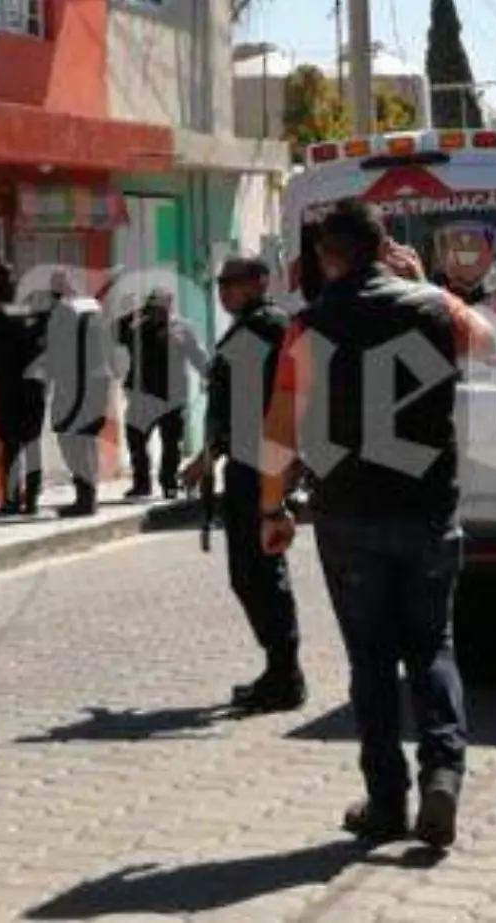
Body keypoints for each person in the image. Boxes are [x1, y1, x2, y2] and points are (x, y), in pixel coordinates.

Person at [258, 199, 496, 851]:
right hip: (428, 510)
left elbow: (279, 426)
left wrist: (271, 510)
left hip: (350, 514)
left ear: (327, 257)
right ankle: (443, 773)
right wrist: (429, 283)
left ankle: (387, 802)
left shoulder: (307, 327)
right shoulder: (432, 307)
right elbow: (491, 343)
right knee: (433, 647)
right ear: (387, 244)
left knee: (371, 658)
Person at [181, 257, 303, 712]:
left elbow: (261, 410)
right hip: (245, 463)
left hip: (261, 466)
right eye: (220, 284)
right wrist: (206, 457)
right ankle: (280, 669)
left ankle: (285, 674)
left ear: (259, 283)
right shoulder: (251, 328)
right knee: (248, 574)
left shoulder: (267, 327)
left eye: (233, 284)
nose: (224, 292)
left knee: (261, 572)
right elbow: (234, 408)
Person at [116, 287, 208, 500]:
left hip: (173, 397)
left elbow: (198, 355)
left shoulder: (183, 328)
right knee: (136, 440)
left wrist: (209, 375)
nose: (159, 312)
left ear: (170, 306)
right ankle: (141, 484)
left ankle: (169, 483)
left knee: (171, 444)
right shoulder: (137, 328)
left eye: (162, 307)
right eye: (154, 308)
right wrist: (136, 313)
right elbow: (113, 332)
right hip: (142, 396)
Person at [0, 260, 47, 517]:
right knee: (33, 444)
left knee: (11, 446)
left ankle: (13, 499)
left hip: (9, 388)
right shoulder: (33, 311)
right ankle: (33, 500)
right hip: (36, 387)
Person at [42, 269, 115, 518]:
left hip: (76, 383)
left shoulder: (63, 311)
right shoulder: (93, 306)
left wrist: (52, 381)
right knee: (86, 437)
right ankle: (89, 495)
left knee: (69, 437)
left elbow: (58, 350)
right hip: (99, 380)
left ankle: (85, 498)